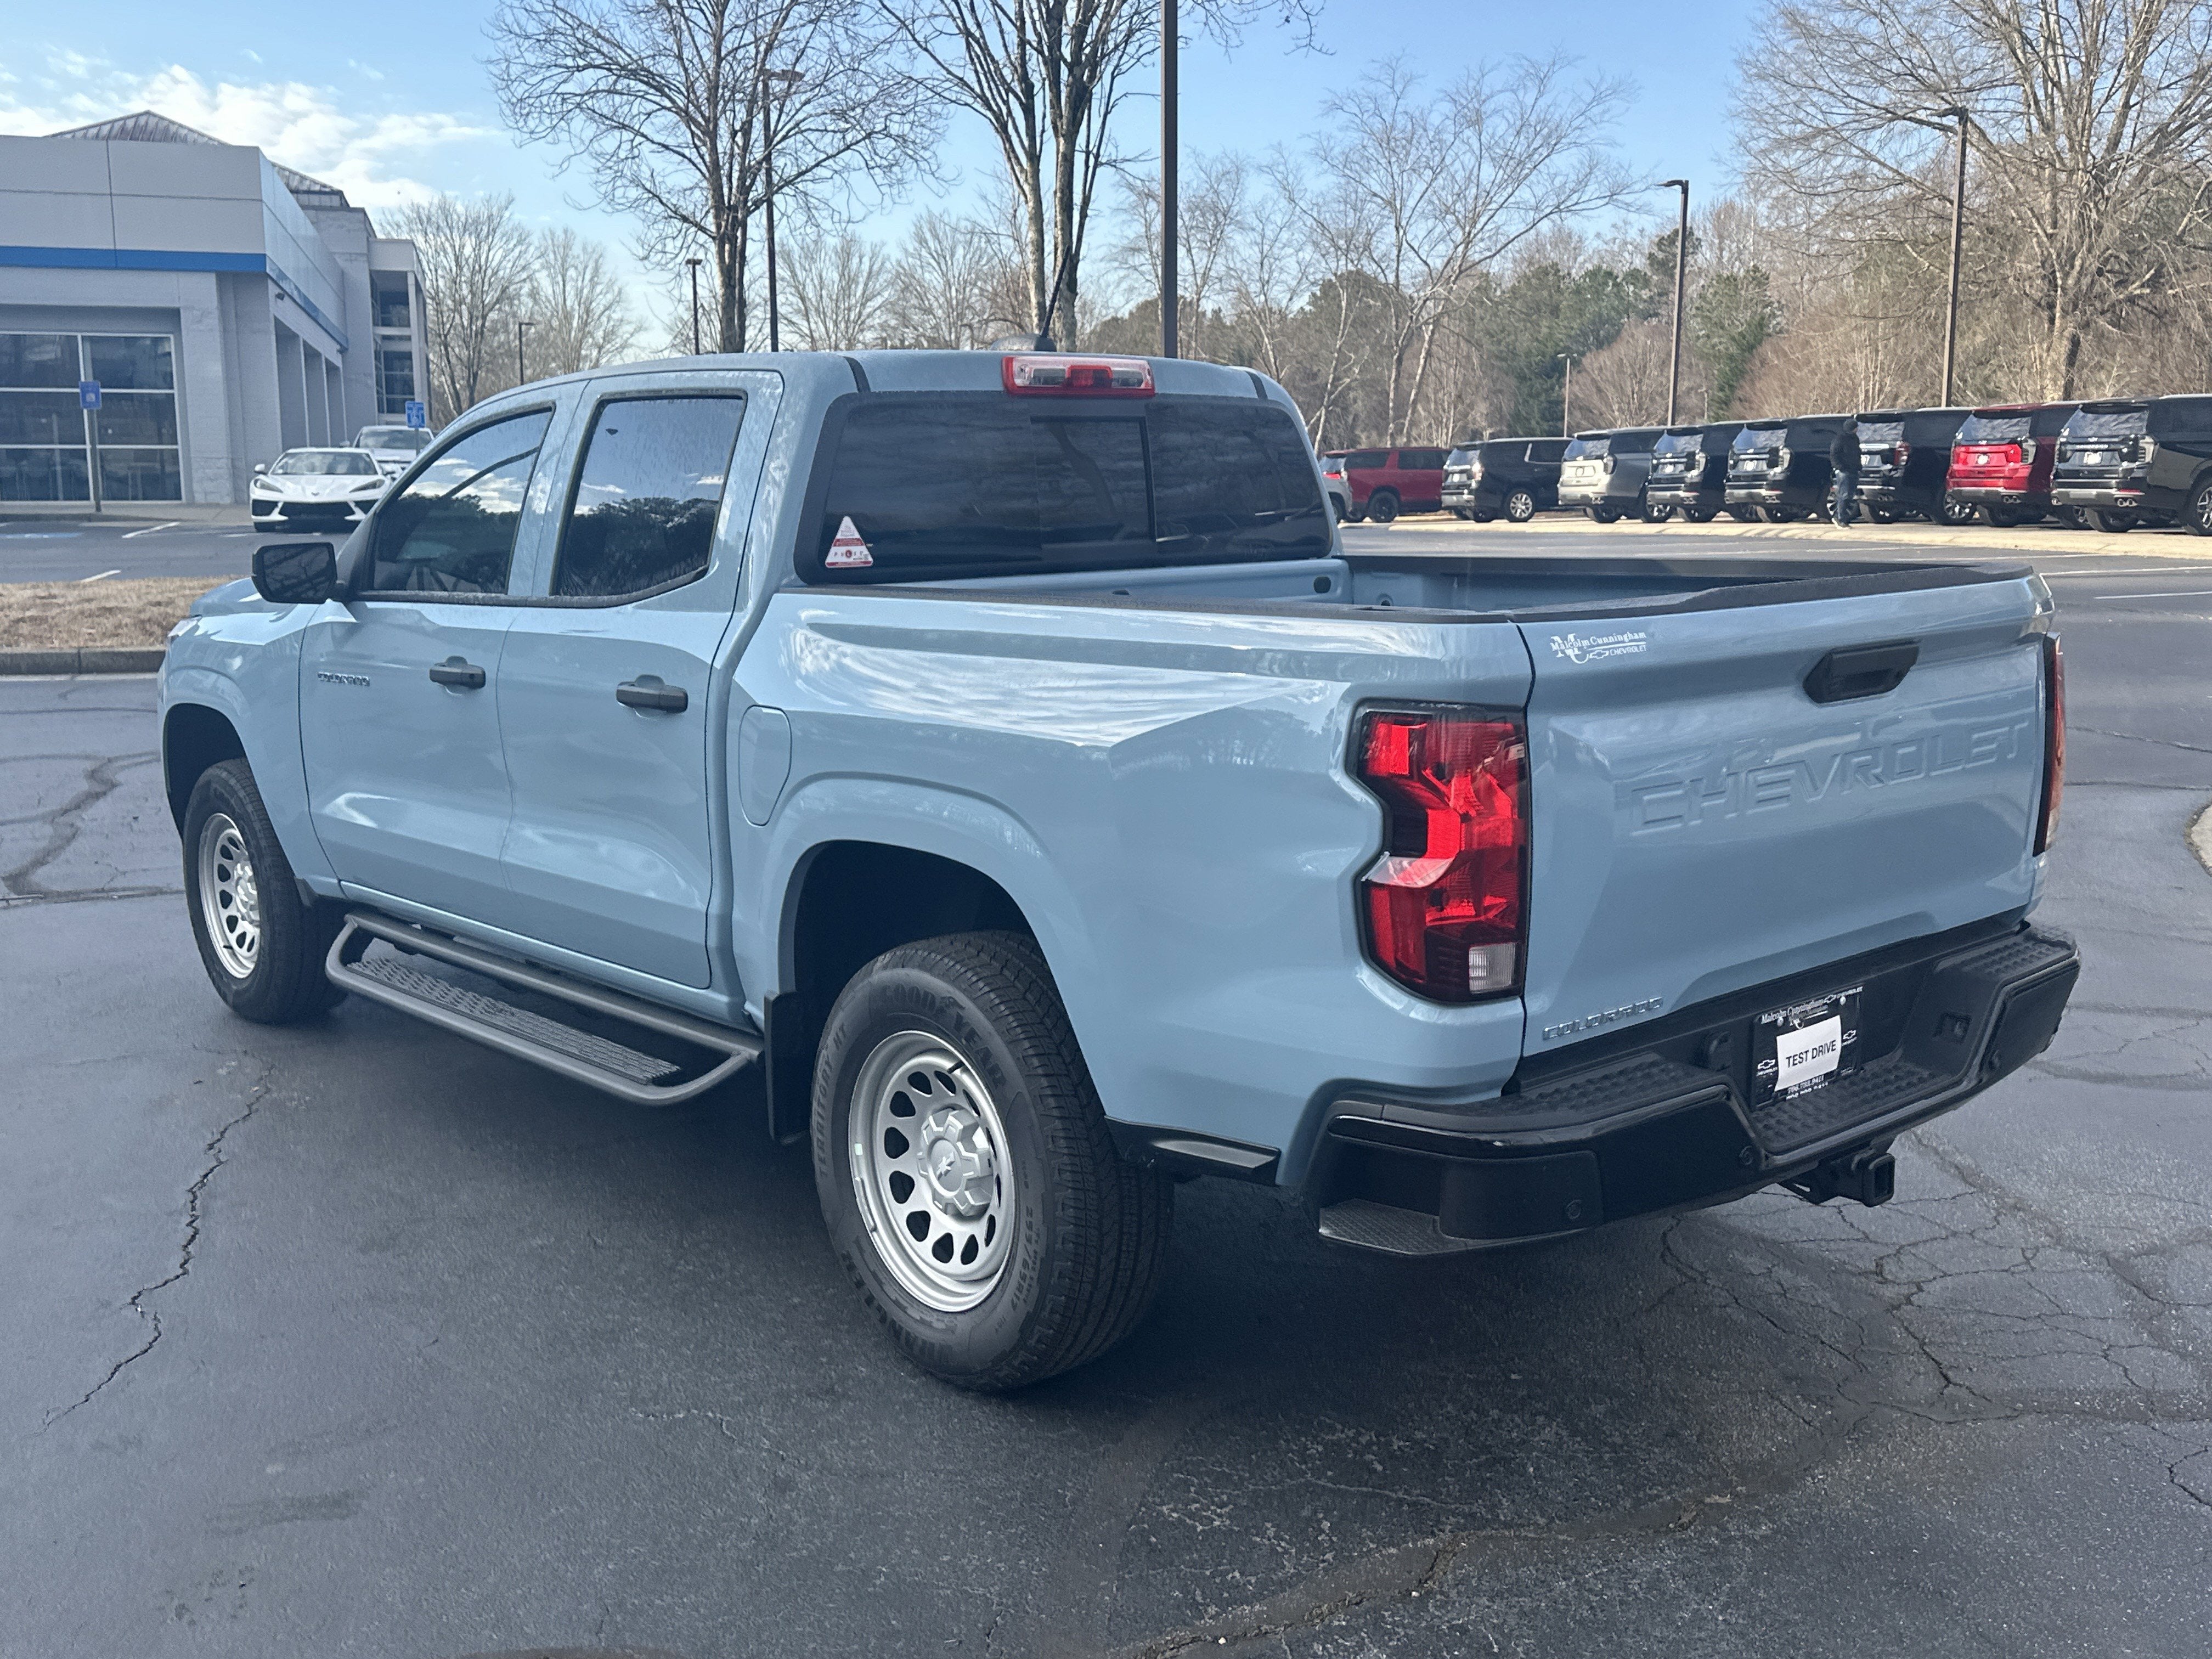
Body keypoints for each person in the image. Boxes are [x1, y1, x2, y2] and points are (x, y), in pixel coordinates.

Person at [1829, 422, 1861, 528]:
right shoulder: (1840, 439)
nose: (1857, 429)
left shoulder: (1855, 439)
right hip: (1844, 471)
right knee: (1845, 494)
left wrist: (1859, 466)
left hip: (1854, 470)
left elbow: (1857, 454)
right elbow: (1834, 454)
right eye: (1855, 427)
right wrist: (1839, 467)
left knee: (1850, 495)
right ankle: (1840, 519)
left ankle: (1838, 516)